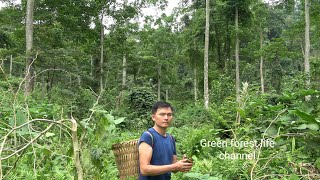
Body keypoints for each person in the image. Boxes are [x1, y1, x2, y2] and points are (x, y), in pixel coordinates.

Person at [138, 101, 193, 180]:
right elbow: (144, 170)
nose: (166, 118)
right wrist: (175, 166)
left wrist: (183, 164)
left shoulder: (171, 138)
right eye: (162, 114)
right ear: (153, 117)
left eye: (169, 115)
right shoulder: (148, 136)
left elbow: (173, 168)